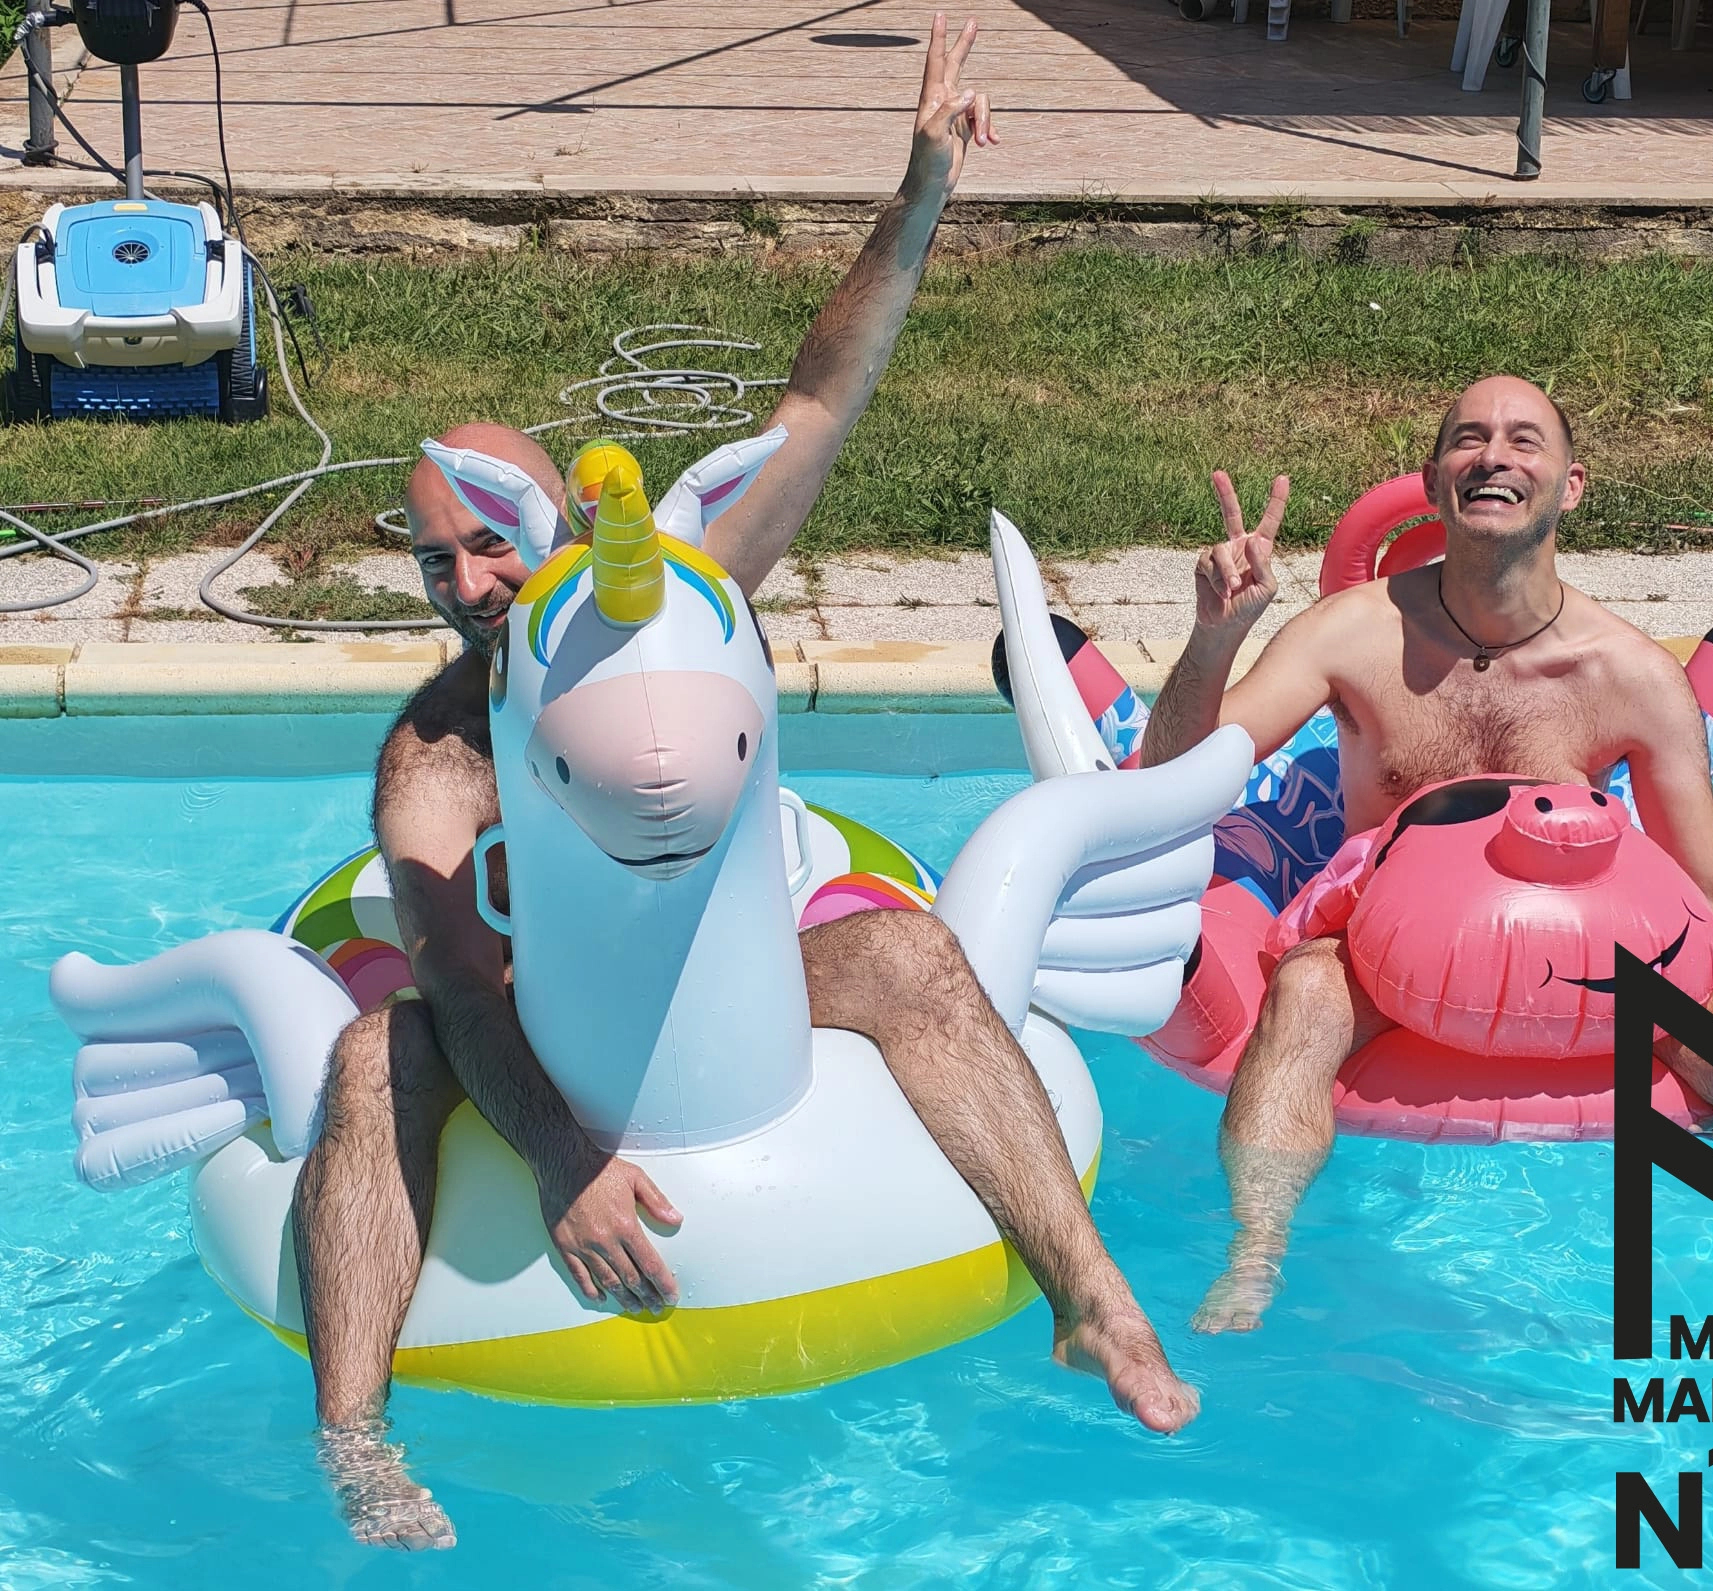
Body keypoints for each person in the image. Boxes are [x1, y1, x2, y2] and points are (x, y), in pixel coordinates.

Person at [294, 19, 1197, 1553]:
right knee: (377, 1054)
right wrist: (564, 1159)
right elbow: (452, 977)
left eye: (491, 540)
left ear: (559, 521)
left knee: (911, 955)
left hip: (739, 981)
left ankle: (1092, 1295)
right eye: (436, 557)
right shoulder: (437, 752)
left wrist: (921, 187)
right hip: (546, 1028)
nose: (469, 580)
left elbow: (817, 399)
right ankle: (355, 1436)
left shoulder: (685, 599)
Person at [1140, 375, 1713, 1368]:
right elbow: (1168, 779)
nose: (1493, 455)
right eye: (1469, 438)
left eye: (1524, 440)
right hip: (1383, 955)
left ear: (1569, 486)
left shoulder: (1627, 673)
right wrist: (1215, 636)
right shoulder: (1350, 634)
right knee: (1305, 989)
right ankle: (1255, 1257)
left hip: (1585, 962)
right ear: (1431, 481)